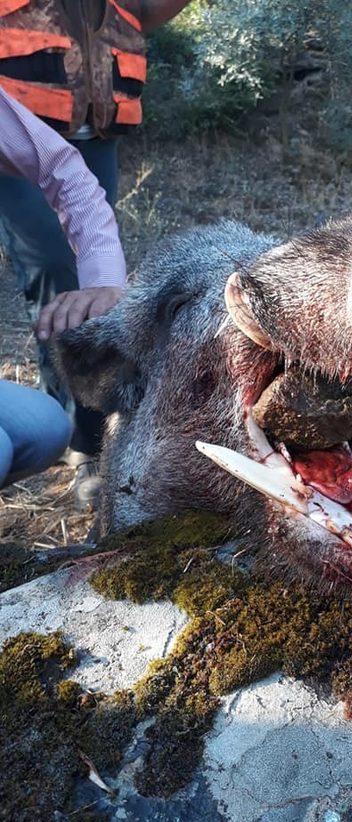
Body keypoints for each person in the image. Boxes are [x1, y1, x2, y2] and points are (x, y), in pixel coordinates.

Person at [0, 0, 192, 508]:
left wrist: (107, 279)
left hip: (91, 139)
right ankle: (78, 437)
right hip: (21, 136)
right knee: (54, 272)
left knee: (97, 290)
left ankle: (94, 435)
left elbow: (152, 11)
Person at [0, 85, 127, 491]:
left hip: (89, 125)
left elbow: (62, 169)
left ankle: (88, 439)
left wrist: (105, 279)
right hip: (42, 106)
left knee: (43, 428)